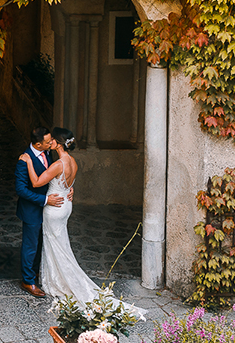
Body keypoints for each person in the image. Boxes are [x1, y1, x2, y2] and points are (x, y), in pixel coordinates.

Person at [19, 127, 146, 316]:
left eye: (53, 140)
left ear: (59, 144)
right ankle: (54, 275)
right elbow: (68, 185)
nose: (50, 142)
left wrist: (28, 161)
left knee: (56, 246)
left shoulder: (58, 164)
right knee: (60, 244)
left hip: (54, 209)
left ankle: (60, 280)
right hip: (65, 206)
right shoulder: (73, 162)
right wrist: (70, 190)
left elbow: (37, 182)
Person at [15, 127, 65, 297]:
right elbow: (21, 190)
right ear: (38, 144)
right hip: (32, 210)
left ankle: (36, 272)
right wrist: (44, 200)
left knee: (42, 242)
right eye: (48, 141)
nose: (51, 143)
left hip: (48, 209)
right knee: (31, 246)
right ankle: (28, 281)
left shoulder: (47, 154)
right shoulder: (24, 160)